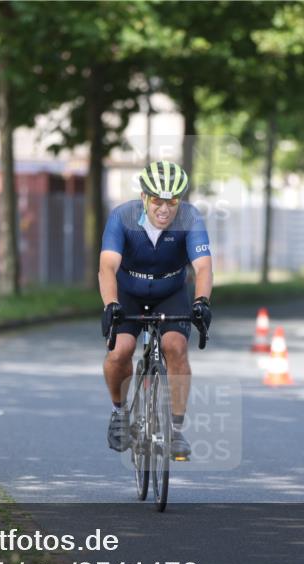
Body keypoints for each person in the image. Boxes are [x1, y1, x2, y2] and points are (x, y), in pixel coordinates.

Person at [99, 160, 213, 461]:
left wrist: (201, 301)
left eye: (172, 201)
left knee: (175, 346)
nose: (164, 209)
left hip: (171, 291)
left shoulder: (190, 217)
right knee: (120, 350)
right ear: (144, 198)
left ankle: (175, 430)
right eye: (157, 201)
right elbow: (108, 266)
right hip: (128, 292)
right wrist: (111, 305)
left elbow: (203, 267)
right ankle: (119, 412)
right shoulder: (122, 217)